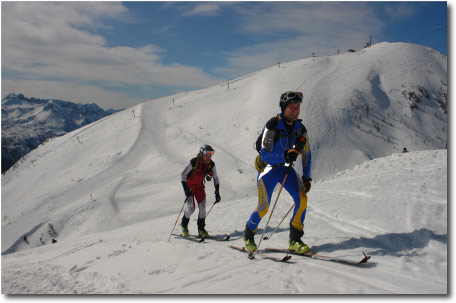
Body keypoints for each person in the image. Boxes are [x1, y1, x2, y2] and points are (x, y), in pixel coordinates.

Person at [243, 91, 312, 254]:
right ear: (283, 108)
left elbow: (307, 153)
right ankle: (248, 235)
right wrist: (285, 155)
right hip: (268, 169)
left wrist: (307, 177)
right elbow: (264, 153)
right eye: (292, 107)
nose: (296, 110)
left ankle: (295, 240)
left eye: (298, 107)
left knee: (302, 199)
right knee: (263, 207)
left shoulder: (300, 128)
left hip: (284, 168)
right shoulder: (273, 125)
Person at [180, 144, 221, 238]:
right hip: (189, 188)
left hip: (199, 188)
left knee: (202, 208)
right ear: (202, 153)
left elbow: (216, 178)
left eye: (211, 154)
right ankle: (184, 225)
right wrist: (186, 189)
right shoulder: (194, 162)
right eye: (207, 154)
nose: (209, 156)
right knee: (191, 209)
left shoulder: (211, 164)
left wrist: (217, 192)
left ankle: (201, 229)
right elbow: (182, 175)